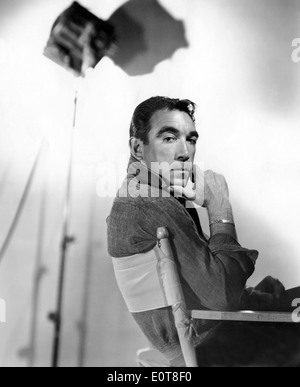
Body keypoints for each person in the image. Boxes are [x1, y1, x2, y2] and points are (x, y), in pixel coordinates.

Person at [107, 96, 300, 367]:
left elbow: (206, 291)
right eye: (169, 138)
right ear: (139, 148)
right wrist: (220, 208)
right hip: (212, 351)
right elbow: (221, 296)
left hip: (212, 339)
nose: (185, 151)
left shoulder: (143, 195)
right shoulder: (151, 203)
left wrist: (250, 297)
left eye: (191, 139)